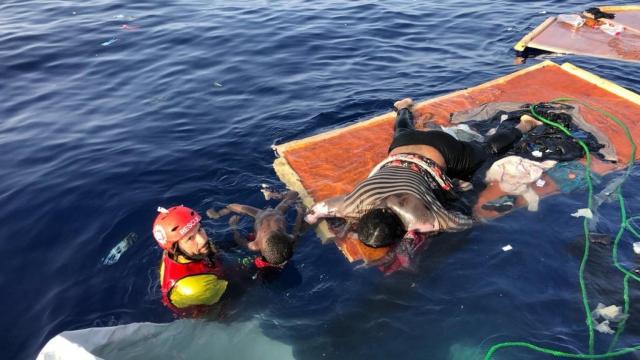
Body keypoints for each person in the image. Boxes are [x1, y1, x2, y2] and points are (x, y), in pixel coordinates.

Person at [305, 97, 542, 249]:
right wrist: (311, 219)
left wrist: (421, 231)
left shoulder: (419, 219)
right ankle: (403, 108)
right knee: (402, 130)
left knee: (488, 150)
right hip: (402, 148)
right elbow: (316, 211)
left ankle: (525, 124)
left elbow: (465, 222)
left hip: (444, 152)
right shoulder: (350, 205)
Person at [152, 205, 228, 317]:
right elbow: (232, 294)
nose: (202, 240)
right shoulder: (196, 288)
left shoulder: (169, 253)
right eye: (190, 238)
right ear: (174, 248)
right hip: (212, 310)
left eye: (200, 229)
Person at [207, 190, 304, 269]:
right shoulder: (254, 245)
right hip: (264, 215)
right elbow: (239, 240)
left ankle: (275, 194)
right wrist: (233, 227)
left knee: (294, 194)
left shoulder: (288, 238)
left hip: (270, 214)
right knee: (236, 207)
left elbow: (296, 230)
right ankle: (274, 195)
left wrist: (300, 213)